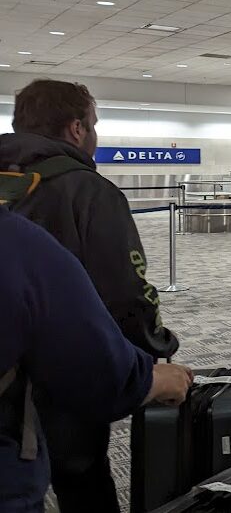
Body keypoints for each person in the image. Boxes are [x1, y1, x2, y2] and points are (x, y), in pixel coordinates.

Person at [0, 79, 181, 513]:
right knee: (80, 473)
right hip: (68, 363)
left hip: (9, 378)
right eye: (94, 124)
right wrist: (153, 354)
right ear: (77, 129)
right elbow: (126, 290)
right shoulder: (87, 190)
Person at [1, 206, 193, 513]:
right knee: (83, 477)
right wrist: (151, 375)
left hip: (37, 401)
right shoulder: (19, 242)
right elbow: (96, 363)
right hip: (12, 468)